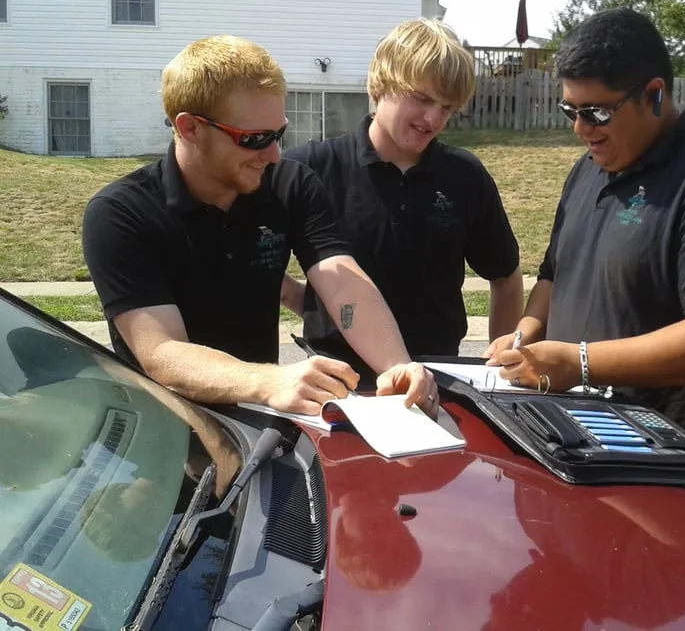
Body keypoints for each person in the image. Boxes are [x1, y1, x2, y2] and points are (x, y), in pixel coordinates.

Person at [483, 7, 685, 472]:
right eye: (570, 110)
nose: (581, 128)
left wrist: (578, 363)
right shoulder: (590, 168)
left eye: (597, 112)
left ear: (654, 94)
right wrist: (526, 333)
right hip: (589, 451)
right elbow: (555, 274)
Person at [81, 35, 438, 418]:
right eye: (253, 139)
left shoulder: (290, 185)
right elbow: (162, 352)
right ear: (190, 128)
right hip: (161, 424)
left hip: (258, 417)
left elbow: (341, 282)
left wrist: (396, 365)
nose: (273, 154)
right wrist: (268, 382)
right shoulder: (121, 214)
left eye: (278, 134)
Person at [281, 18, 523, 388]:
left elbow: (505, 275)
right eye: (423, 99)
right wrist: (314, 305)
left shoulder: (465, 175)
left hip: (438, 378)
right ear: (381, 83)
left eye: (447, 108)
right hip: (337, 381)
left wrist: (499, 369)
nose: (433, 119)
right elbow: (253, 255)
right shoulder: (312, 168)